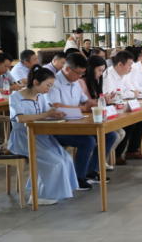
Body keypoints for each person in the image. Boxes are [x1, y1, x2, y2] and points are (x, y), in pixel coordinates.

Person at [8, 65, 79, 205]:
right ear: (36, 82)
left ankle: (56, 192)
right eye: (48, 85)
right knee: (55, 162)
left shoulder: (40, 97)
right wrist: (47, 114)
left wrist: (56, 114)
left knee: (66, 158)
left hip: (40, 135)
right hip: (23, 137)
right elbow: (20, 119)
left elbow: (46, 113)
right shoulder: (15, 97)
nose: (50, 88)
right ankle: (39, 195)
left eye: (52, 85)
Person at [46, 53, 115, 189]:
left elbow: (85, 100)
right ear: (67, 69)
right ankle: (78, 178)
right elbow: (56, 106)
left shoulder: (75, 83)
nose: (80, 76)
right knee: (88, 141)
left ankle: (91, 170)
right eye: (78, 73)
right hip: (58, 127)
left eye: (82, 73)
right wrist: (85, 108)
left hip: (76, 124)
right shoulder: (54, 83)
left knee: (109, 135)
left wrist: (99, 101)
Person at [79, 55, 125, 170]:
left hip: (97, 117)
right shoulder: (81, 82)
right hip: (88, 119)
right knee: (114, 135)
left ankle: (100, 158)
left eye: (102, 71)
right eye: (99, 70)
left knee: (121, 133)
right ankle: (98, 161)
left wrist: (104, 98)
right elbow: (83, 103)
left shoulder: (95, 82)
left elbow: (93, 100)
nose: (101, 74)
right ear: (91, 68)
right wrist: (97, 101)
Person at [102, 51, 142, 162]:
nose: (131, 67)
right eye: (129, 64)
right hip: (111, 108)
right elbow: (110, 96)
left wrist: (126, 94)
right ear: (120, 64)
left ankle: (132, 150)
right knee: (130, 121)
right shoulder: (108, 75)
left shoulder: (124, 75)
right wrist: (129, 94)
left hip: (122, 106)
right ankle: (117, 154)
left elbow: (133, 90)